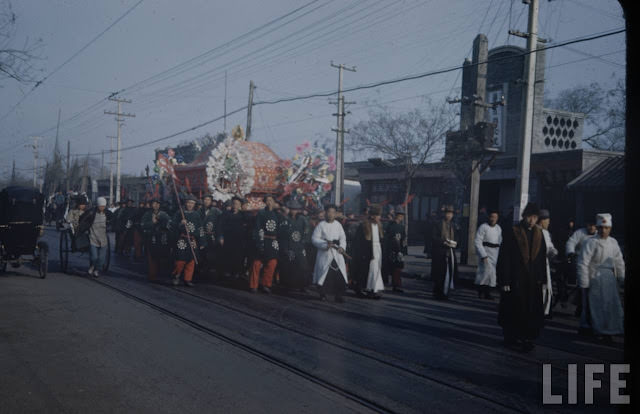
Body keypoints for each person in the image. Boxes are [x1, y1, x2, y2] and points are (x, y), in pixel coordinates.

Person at [497, 202, 547, 352]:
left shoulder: (539, 234)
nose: (531, 220)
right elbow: (505, 257)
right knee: (513, 308)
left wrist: (542, 278)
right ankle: (510, 336)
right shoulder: (513, 232)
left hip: (532, 281)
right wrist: (504, 279)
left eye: (534, 217)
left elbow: (541, 259)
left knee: (531, 311)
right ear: (524, 216)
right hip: (515, 278)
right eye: (529, 217)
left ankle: (528, 338)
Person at [576, 213, 625, 341]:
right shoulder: (590, 242)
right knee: (596, 305)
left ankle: (609, 330)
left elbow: (619, 261)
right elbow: (583, 262)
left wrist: (621, 277)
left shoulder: (613, 242)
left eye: (606, 228)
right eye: (601, 228)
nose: (604, 230)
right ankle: (595, 329)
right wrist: (584, 282)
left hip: (609, 279)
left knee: (610, 305)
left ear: (610, 228)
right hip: (594, 278)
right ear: (597, 228)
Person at [311, 204, 348, 303]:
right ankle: (322, 294)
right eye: (329, 212)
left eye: (333, 212)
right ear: (325, 213)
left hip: (336, 254)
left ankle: (338, 295)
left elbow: (343, 238)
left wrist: (342, 247)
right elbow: (314, 239)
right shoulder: (321, 225)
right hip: (325, 253)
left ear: (335, 214)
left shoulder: (338, 225)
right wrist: (325, 245)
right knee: (324, 274)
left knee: (339, 274)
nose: (331, 214)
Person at [249, 195, 281, 293]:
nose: (269, 202)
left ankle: (266, 284)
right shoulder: (261, 213)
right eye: (267, 200)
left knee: (272, 263)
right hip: (263, 240)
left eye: (271, 200)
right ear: (265, 202)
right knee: (257, 263)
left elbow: (280, 230)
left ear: (274, 202)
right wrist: (259, 241)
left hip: (273, 242)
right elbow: (257, 228)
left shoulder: (278, 215)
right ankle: (253, 285)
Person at [171, 195, 205, 287]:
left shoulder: (197, 215)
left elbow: (200, 228)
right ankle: (176, 276)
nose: (190, 205)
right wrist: (180, 224)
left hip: (192, 239)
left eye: (192, 203)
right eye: (189, 202)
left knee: (191, 261)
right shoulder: (179, 213)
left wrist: (202, 242)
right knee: (180, 260)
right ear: (185, 203)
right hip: (182, 239)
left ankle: (188, 279)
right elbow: (172, 225)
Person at [352, 204, 385, 299]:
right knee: (367, 271)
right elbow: (359, 241)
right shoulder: (364, 226)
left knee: (376, 270)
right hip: (367, 251)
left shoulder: (379, 226)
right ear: (373, 216)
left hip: (377, 250)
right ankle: (364, 288)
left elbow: (381, 239)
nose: (379, 217)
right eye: (378, 215)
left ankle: (374, 289)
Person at [566, 219, 597, 317]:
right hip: (581, 263)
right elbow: (571, 242)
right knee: (582, 287)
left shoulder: (599, 235)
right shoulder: (580, 232)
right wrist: (571, 252)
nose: (592, 227)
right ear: (586, 225)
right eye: (589, 225)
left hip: (594, 265)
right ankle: (580, 307)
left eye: (594, 225)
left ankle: (589, 309)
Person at [78, 197, 113, 278]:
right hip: (93, 237)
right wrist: (84, 228)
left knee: (101, 258)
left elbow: (114, 219)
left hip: (103, 238)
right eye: (101, 206)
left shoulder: (107, 213)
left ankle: (97, 270)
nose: (102, 208)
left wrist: (110, 226)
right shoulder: (91, 212)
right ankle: (92, 266)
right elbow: (82, 219)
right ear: (97, 205)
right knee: (94, 257)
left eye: (103, 206)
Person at [430, 205, 458, 300]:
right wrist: (444, 242)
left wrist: (454, 243)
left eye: (451, 214)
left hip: (450, 251)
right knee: (439, 273)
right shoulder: (438, 224)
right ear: (444, 214)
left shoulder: (453, 225)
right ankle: (438, 292)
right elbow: (433, 237)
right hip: (439, 251)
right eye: (447, 213)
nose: (449, 215)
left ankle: (445, 292)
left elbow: (457, 237)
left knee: (449, 272)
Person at [473, 210, 502, 299]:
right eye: (492, 217)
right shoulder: (483, 227)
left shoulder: (498, 228)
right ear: (489, 217)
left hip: (495, 253)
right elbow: (477, 241)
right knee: (484, 272)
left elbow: (500, 241)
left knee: (492, 274)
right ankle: (481, 292)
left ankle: (488, 293)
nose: (493, 219)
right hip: (485, 251)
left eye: (495, 217)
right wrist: (483, 254)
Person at [141, 199, 172, 282]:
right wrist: (152, 222)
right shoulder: (147, 214)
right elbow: (143, 225)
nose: (156, 205)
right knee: (151, 257)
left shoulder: (164, 214)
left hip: (161, 238)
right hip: (151, 237)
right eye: (154, 204)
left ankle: (160, 274)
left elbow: (170, 223)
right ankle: (152, 275)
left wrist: (165, 224)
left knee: (161, 257)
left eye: (158, 204)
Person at [217, 196, 247, 279]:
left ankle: (237, 271)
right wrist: (221, 237)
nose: (235, 205)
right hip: (228, 239)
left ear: (240, 205)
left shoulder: (243, 215)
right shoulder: (226, 213)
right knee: (227, 255)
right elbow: (220, 226)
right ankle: (227, 271)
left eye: (237, 204)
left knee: (238, 256)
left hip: (239, 239)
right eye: (234, 204)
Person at [538, 209, 558, 317]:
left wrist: (553, 252)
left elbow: (549, 247)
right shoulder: (535, 231)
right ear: (541, 221)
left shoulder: (546, 233)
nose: (549, 223)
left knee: (547, 288)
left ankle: (546, 310)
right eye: (547, 220)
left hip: (545, 265)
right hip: (536, 266)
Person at [383, 210, 407, 293]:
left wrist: (403, 250)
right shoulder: (390, 226)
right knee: (388, 266)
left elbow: (403, 239)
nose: (400, 217)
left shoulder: (402, 227)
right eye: (399, 215)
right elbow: (386, 238)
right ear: (395, 216)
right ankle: (384, 282)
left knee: (397, 268)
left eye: (402, 216)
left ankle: (397, 285)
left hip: (399, 249)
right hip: (391, 249)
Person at [200, 194, 222, 276]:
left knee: (212, 254)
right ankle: (202, 271)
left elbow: (220, 223)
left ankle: (210, 272)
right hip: (202, 235)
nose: (206, 201)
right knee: (202, 254)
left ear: (211, 201)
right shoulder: (199, 211)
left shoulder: (216, 211)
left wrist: (219, 236)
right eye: (205, 199)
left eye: (208, 200)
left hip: (212, 236)